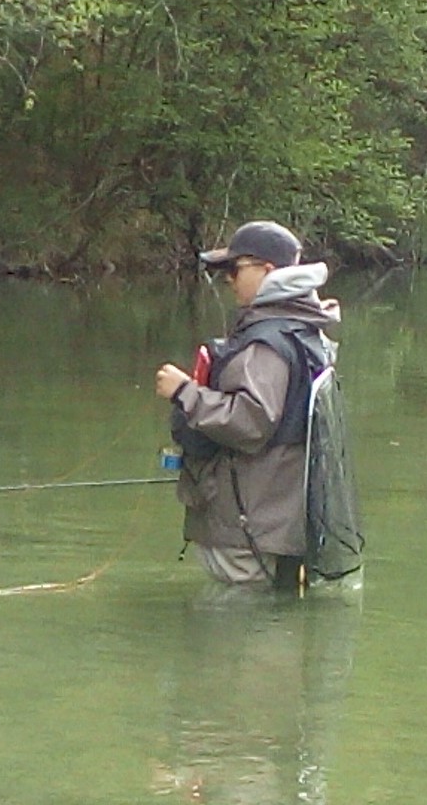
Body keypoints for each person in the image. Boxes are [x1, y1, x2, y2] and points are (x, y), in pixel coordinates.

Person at [153, 220, 343, 592]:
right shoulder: (304, 331)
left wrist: (184, 392)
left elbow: (250, 423)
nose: (228, 280)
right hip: (279, 523)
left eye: (235, 269)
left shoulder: (266, 343)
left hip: (249, 528)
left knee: (231, 634)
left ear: (267, 271)